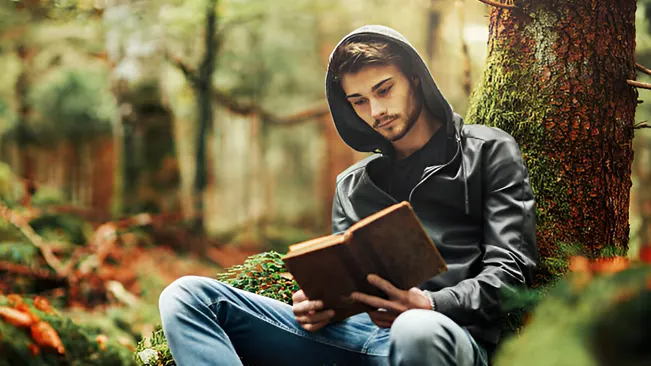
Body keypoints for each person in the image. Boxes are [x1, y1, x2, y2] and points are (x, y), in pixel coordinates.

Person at [158, 25, 537, 366]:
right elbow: (350, 287)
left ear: (416, 78)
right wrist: (319, 308)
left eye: (384, 90)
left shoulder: (489, 151)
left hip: (445, 336)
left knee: (415, 328)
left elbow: (511, 273)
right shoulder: (352, 185)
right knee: (187, 297)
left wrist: (429, 303)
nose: (376, 111)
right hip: (358, 340)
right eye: (358, 101)